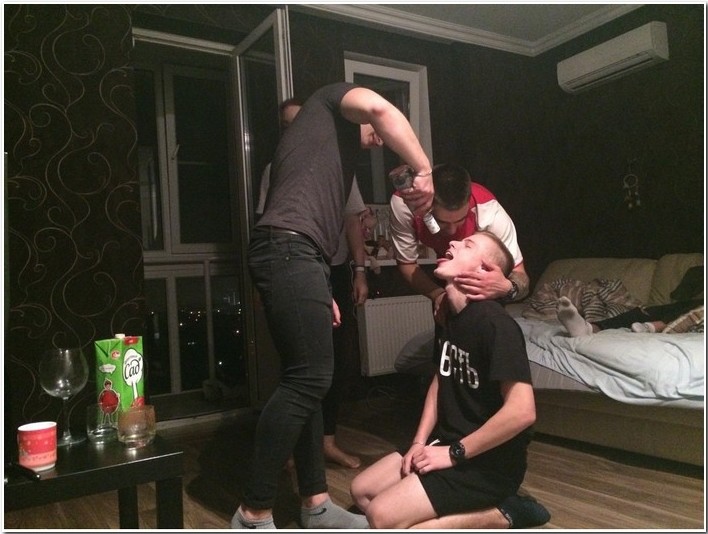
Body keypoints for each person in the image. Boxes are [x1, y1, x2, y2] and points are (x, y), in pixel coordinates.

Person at [233, 82, 434, 530]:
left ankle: (316, 504)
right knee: (308, 379)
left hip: (298, 254)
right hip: (289, 250)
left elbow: (300, 210)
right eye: (376, 129)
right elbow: (379, 108)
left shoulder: (317, 149)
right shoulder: (327, 101)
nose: (380, 139)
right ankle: (252, 513)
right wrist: (424, 169)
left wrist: (320, 285)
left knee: (306, 380)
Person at [350, 231, 551, 529]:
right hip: (446, 442)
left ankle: (505, 512)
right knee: (362, 491)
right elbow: (441, 379)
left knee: (382, 516)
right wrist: (418, 442)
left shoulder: (496, 325)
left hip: (488, 463)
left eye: (468, 245)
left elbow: (522, 412)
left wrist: (454, 454)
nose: (453, 243)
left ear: (483, 269)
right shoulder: (449, 315)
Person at [257, 97, 368, 469]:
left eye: (299, 123)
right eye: (286, 127)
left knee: (330, 363)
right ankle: (289, 451)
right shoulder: (276, 168)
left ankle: (325, 446)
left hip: (331, 267)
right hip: (297, 265)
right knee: (302, 368)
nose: (295, 131)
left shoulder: (336, 158)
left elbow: (352, 221)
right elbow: (271, 224)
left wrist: (359, 271)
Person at [390, 163, 530, 375]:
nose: (452, 234)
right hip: (450, 277)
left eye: (460, 221)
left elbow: (521, 276)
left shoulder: (490, 212)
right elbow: (407, 263)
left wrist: (507, 288)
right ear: (426, 206)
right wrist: (437, 295)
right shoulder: (405, 204)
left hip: (487, 293)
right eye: (442, 222)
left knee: (481, 360)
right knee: (446, 358)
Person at [255, 97, 303, 217]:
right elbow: (265, 216)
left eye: (297, 123)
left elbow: (348, 218)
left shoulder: (330, 164)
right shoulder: (272, 170)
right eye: (286, 126)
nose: (292, 131)